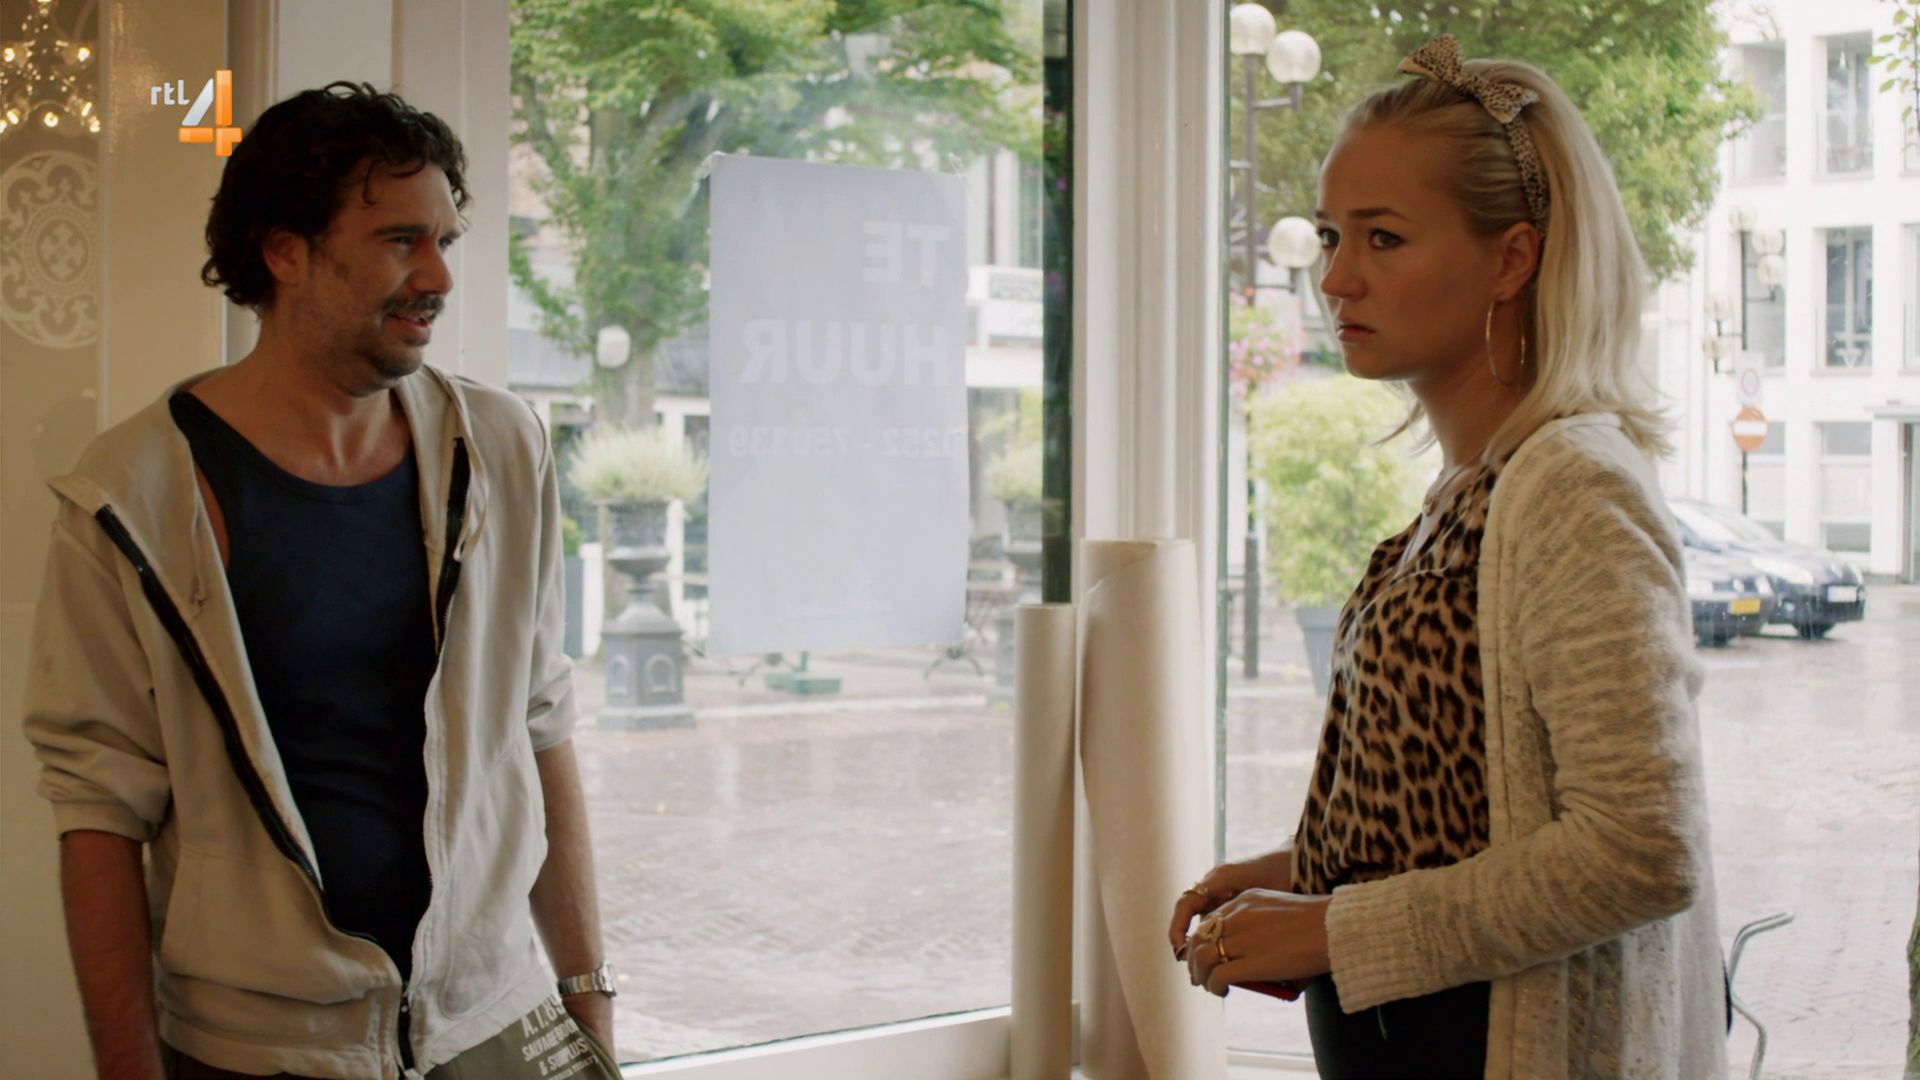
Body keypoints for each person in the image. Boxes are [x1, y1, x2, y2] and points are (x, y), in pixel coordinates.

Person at [21, 82, 621, 1079]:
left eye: (445, 240)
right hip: (259, 1047)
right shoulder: (130, 495)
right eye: (399, 240)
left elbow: (540, 723)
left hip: (493, 1021)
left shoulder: (501, 448)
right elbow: (99, 809)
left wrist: (587, 994)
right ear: (285, 251)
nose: (438, 275)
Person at [1166, 34, 1729, 1079]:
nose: (1336, 278)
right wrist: (1302, 874)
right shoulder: (1476, 491)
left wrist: (1332, 929)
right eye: (1332, 235)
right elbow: (1468, 824)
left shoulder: (1572, 491)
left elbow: (1643, 850)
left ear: (1511, 259)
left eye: (1383, 238)